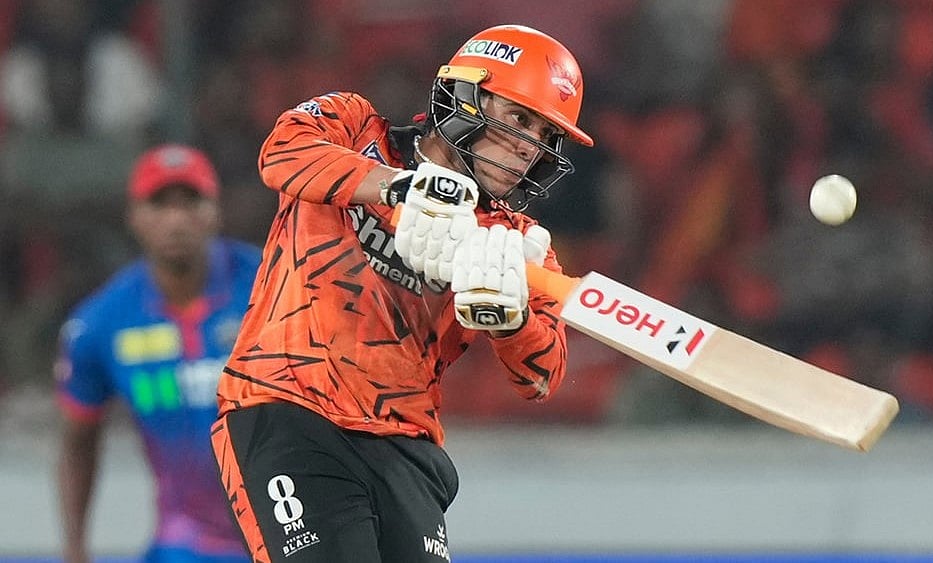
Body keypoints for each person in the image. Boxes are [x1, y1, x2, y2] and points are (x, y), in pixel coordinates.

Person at [210, 24, 593, 561]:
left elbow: (541, 377)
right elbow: (281, 155)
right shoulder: (352, 125)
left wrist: (510, 323)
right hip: (289, 411)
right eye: (519, 121)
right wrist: (401, 188)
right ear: (465, 98)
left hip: (406, 447)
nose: (530, 149)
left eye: (545, 136)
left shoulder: (518, 244)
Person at [55, 144, 260, 563]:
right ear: (134, 217)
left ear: (215, 212)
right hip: (184, 543)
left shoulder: (273, 286)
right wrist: (75, 549)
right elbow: (79, 441)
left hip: (288, 532)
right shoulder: (100, 323)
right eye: (159, 204)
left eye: (191, 203)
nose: (176, 221)